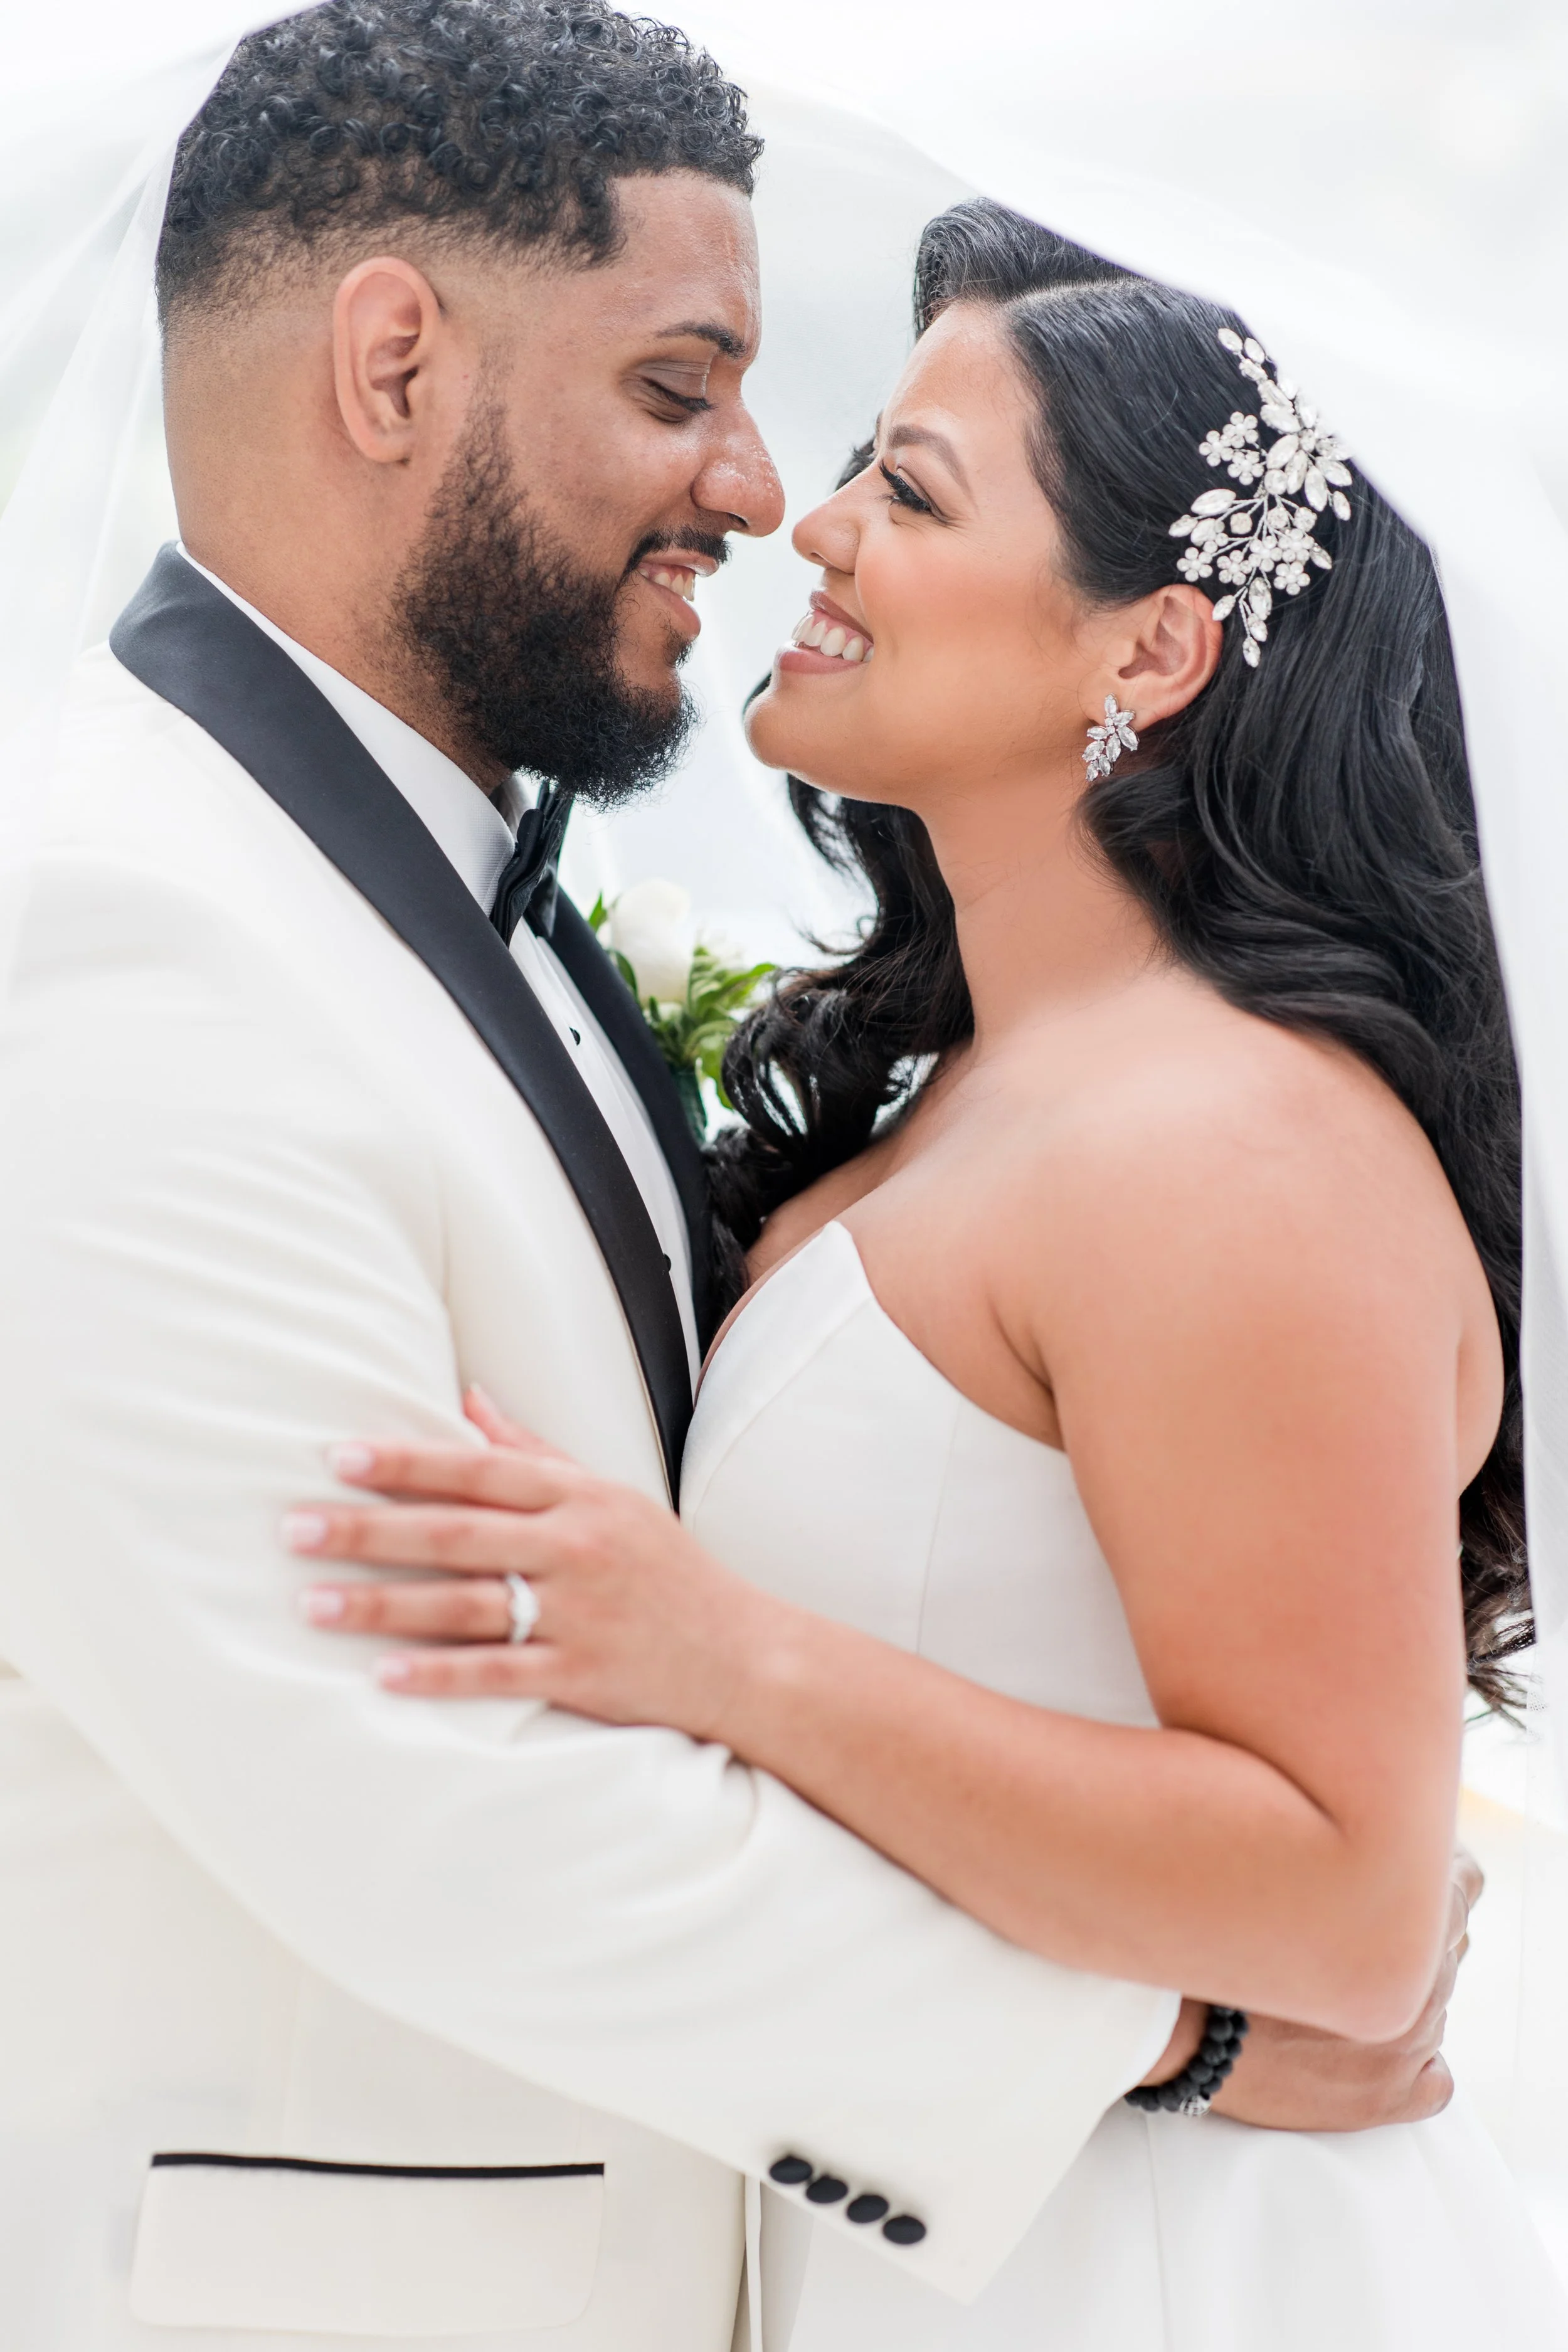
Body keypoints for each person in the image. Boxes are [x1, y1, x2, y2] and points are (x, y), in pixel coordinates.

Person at [0, 12, 1464, 2350]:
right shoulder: (124, 940)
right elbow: (419, 1804)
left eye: (887, 465)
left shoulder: (446, 885)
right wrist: (1156, 2034)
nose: (771, 497)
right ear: (393, 364)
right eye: (682, 387)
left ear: (1151, 650)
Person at [292, 201, 1568, 2348]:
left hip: (1170, 2274)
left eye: (910, 484)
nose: (814, 524)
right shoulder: (992, 1082)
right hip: (948, 2228)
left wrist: (719, 1653)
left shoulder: (1228, 1144)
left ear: (1145, 650)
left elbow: (1352, 1906)